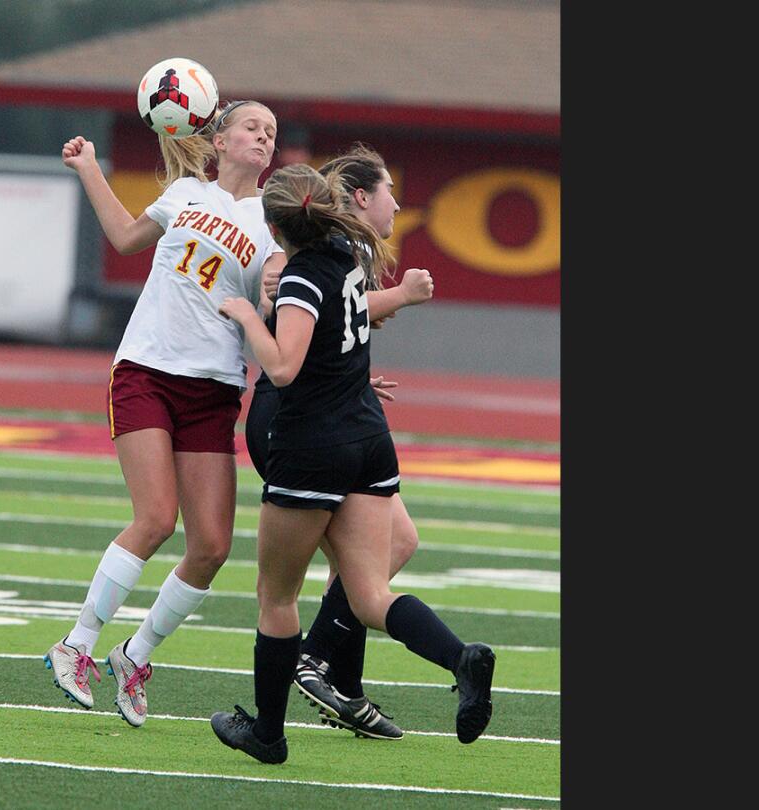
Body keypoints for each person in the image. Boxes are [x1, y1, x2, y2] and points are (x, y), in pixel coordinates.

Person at [211, 163, 496, 765]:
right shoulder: (345, 257)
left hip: (312, 447)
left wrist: (243, 316)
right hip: (367, 438)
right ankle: (460, 658)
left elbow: (283, 367)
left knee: (276, 598)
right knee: (369, 592)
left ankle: (267, 734)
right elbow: (346, 325)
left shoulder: (298, 277)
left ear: (274, 223)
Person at [44, 99, 286, 729]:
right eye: (252, 127)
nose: (263, 138)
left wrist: (277, 291)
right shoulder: (184, 192)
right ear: (221, 138)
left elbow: (281, 301)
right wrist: (89, 165)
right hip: (147, 370)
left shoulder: (271, 222)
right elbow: (124, 238)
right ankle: (77, 644)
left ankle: (135, 656)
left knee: (210, 546)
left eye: (272, 133)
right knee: (154, 518)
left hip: (213, 389)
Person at [242, 144, 433, 741]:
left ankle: (329, 675)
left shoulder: (343, 251)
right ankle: (319, 669)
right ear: (358, 199)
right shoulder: (306, 251)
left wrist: (349, 371)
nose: (397, 204)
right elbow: (287, 350)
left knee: (388, 550)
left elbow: (332, 328)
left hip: (334, 417)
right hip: (295, 421)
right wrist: (399, 297)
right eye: (387, 192)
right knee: (319, 582)